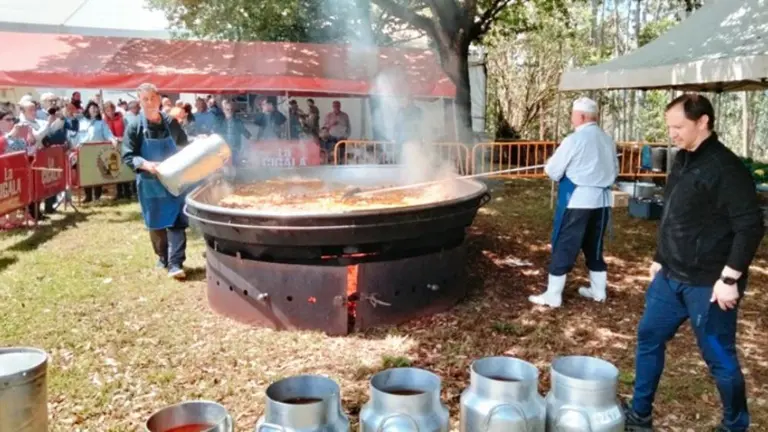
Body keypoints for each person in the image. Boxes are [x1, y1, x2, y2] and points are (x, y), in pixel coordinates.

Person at [623, 94, 764, 432]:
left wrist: (729, 279)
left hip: (709, 283)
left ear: (703, 122)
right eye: (669, 126)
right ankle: (640, 415)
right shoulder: (683, 158)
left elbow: (750, 225)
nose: (672, 133)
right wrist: (660, 258)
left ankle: (735, 425)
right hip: (670, 277)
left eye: (678, 126)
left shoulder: (725, 168)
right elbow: (674, 214)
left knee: (719, 357)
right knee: (649, 337)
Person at [528, 97, 618, 308]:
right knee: (594, 245)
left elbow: (553, 170)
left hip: (577, 201)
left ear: (581, 116)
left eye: (573, 114)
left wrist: (549, 166)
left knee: (565, 244)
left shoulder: (574, 140)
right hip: (602, 203)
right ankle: (598, 292)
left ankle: (553, 295)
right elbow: (614, 171)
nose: (571, 118)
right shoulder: (607, 140)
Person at [122, 83, 189, 279]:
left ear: (159, 99)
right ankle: (162, 256)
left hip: (174, 181)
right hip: (150, 182)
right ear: (140, 101)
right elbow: (128, 155)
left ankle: (176, 263)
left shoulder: (171, 123)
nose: (150, 102)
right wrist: (145, 163)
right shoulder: (134, 126)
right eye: (145, 99)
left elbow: (184, 147)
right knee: (156, 222)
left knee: (177, 220)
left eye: (153, 98)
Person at [76, 101, 118, 203]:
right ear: (88, 109)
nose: (94, 110)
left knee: (98, 173)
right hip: (84, 152)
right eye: (92, 108)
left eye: (96, 108)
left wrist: (113, 139)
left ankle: (97, 196)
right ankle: (88, 196)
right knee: (86, 174)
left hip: (97, 151)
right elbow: (76, 136)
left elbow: (107, 133)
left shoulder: (101, 122)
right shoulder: (81, 121)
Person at [215, 99, 252, 166]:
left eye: (231, 109)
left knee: (236, 170)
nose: (230, 111)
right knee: (225, 171)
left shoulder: (238, 122)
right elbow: (214, 136)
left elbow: (247, 135)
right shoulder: (220, 123)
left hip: (235, 151)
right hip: (224, 152)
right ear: (223, 110)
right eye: (227, 109)